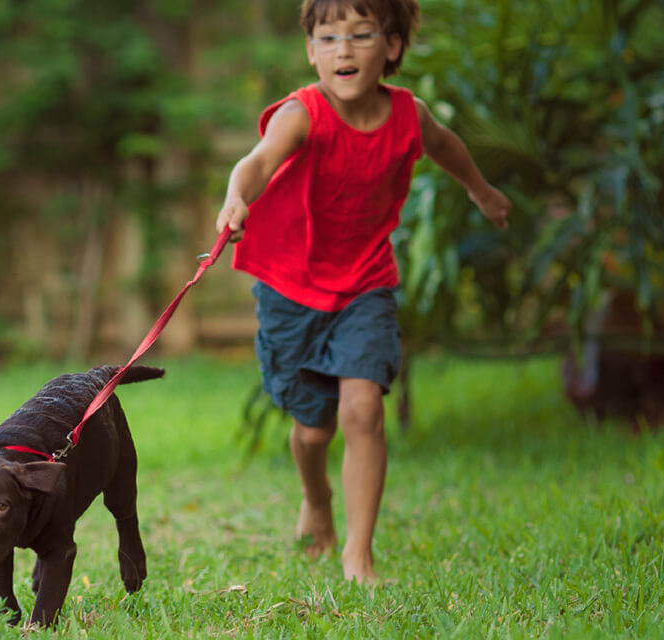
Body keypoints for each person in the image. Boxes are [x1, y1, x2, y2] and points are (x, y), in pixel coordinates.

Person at [213, 0, 510, 584]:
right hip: (291, 289)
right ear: (311, 51)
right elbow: (258, 160)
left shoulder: (408, 115)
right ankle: (317, 499)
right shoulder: (303, 113)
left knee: (364, 410)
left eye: (360, 34)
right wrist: (235, 197)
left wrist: (480, 190)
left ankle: (358, 554)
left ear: (393, 46)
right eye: (328, 37)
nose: (342, 50)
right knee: (314, 430)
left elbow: (446, 144)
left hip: (365, 283)